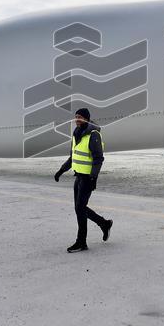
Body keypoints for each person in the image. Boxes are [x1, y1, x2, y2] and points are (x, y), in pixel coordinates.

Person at [54, 107, 112, 253]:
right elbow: (73, 156)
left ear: (86, 118)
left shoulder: (93, 135)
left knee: (80, 208)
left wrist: (93, 177)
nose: (77, 119)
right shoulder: (76, 133)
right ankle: (104, 224)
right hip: (78, 177)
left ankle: (81, 242)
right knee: (79, 208)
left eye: (80, 117)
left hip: (87, 179)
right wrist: (61, 170)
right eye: (76, 117)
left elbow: (98, 159)